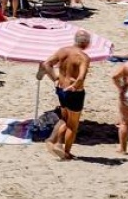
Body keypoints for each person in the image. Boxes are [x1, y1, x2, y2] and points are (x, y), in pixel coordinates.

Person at [39, 30, 93, 160]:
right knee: (73, 125)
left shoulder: (63, 50)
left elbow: (46, 63)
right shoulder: (83, 57)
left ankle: (53, 140)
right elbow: (81, 77)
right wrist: (74, 86)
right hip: (74, 92)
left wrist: (55, 78)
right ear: (86, 43)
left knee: (64, 117)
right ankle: (65, 151)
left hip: (61, 89)